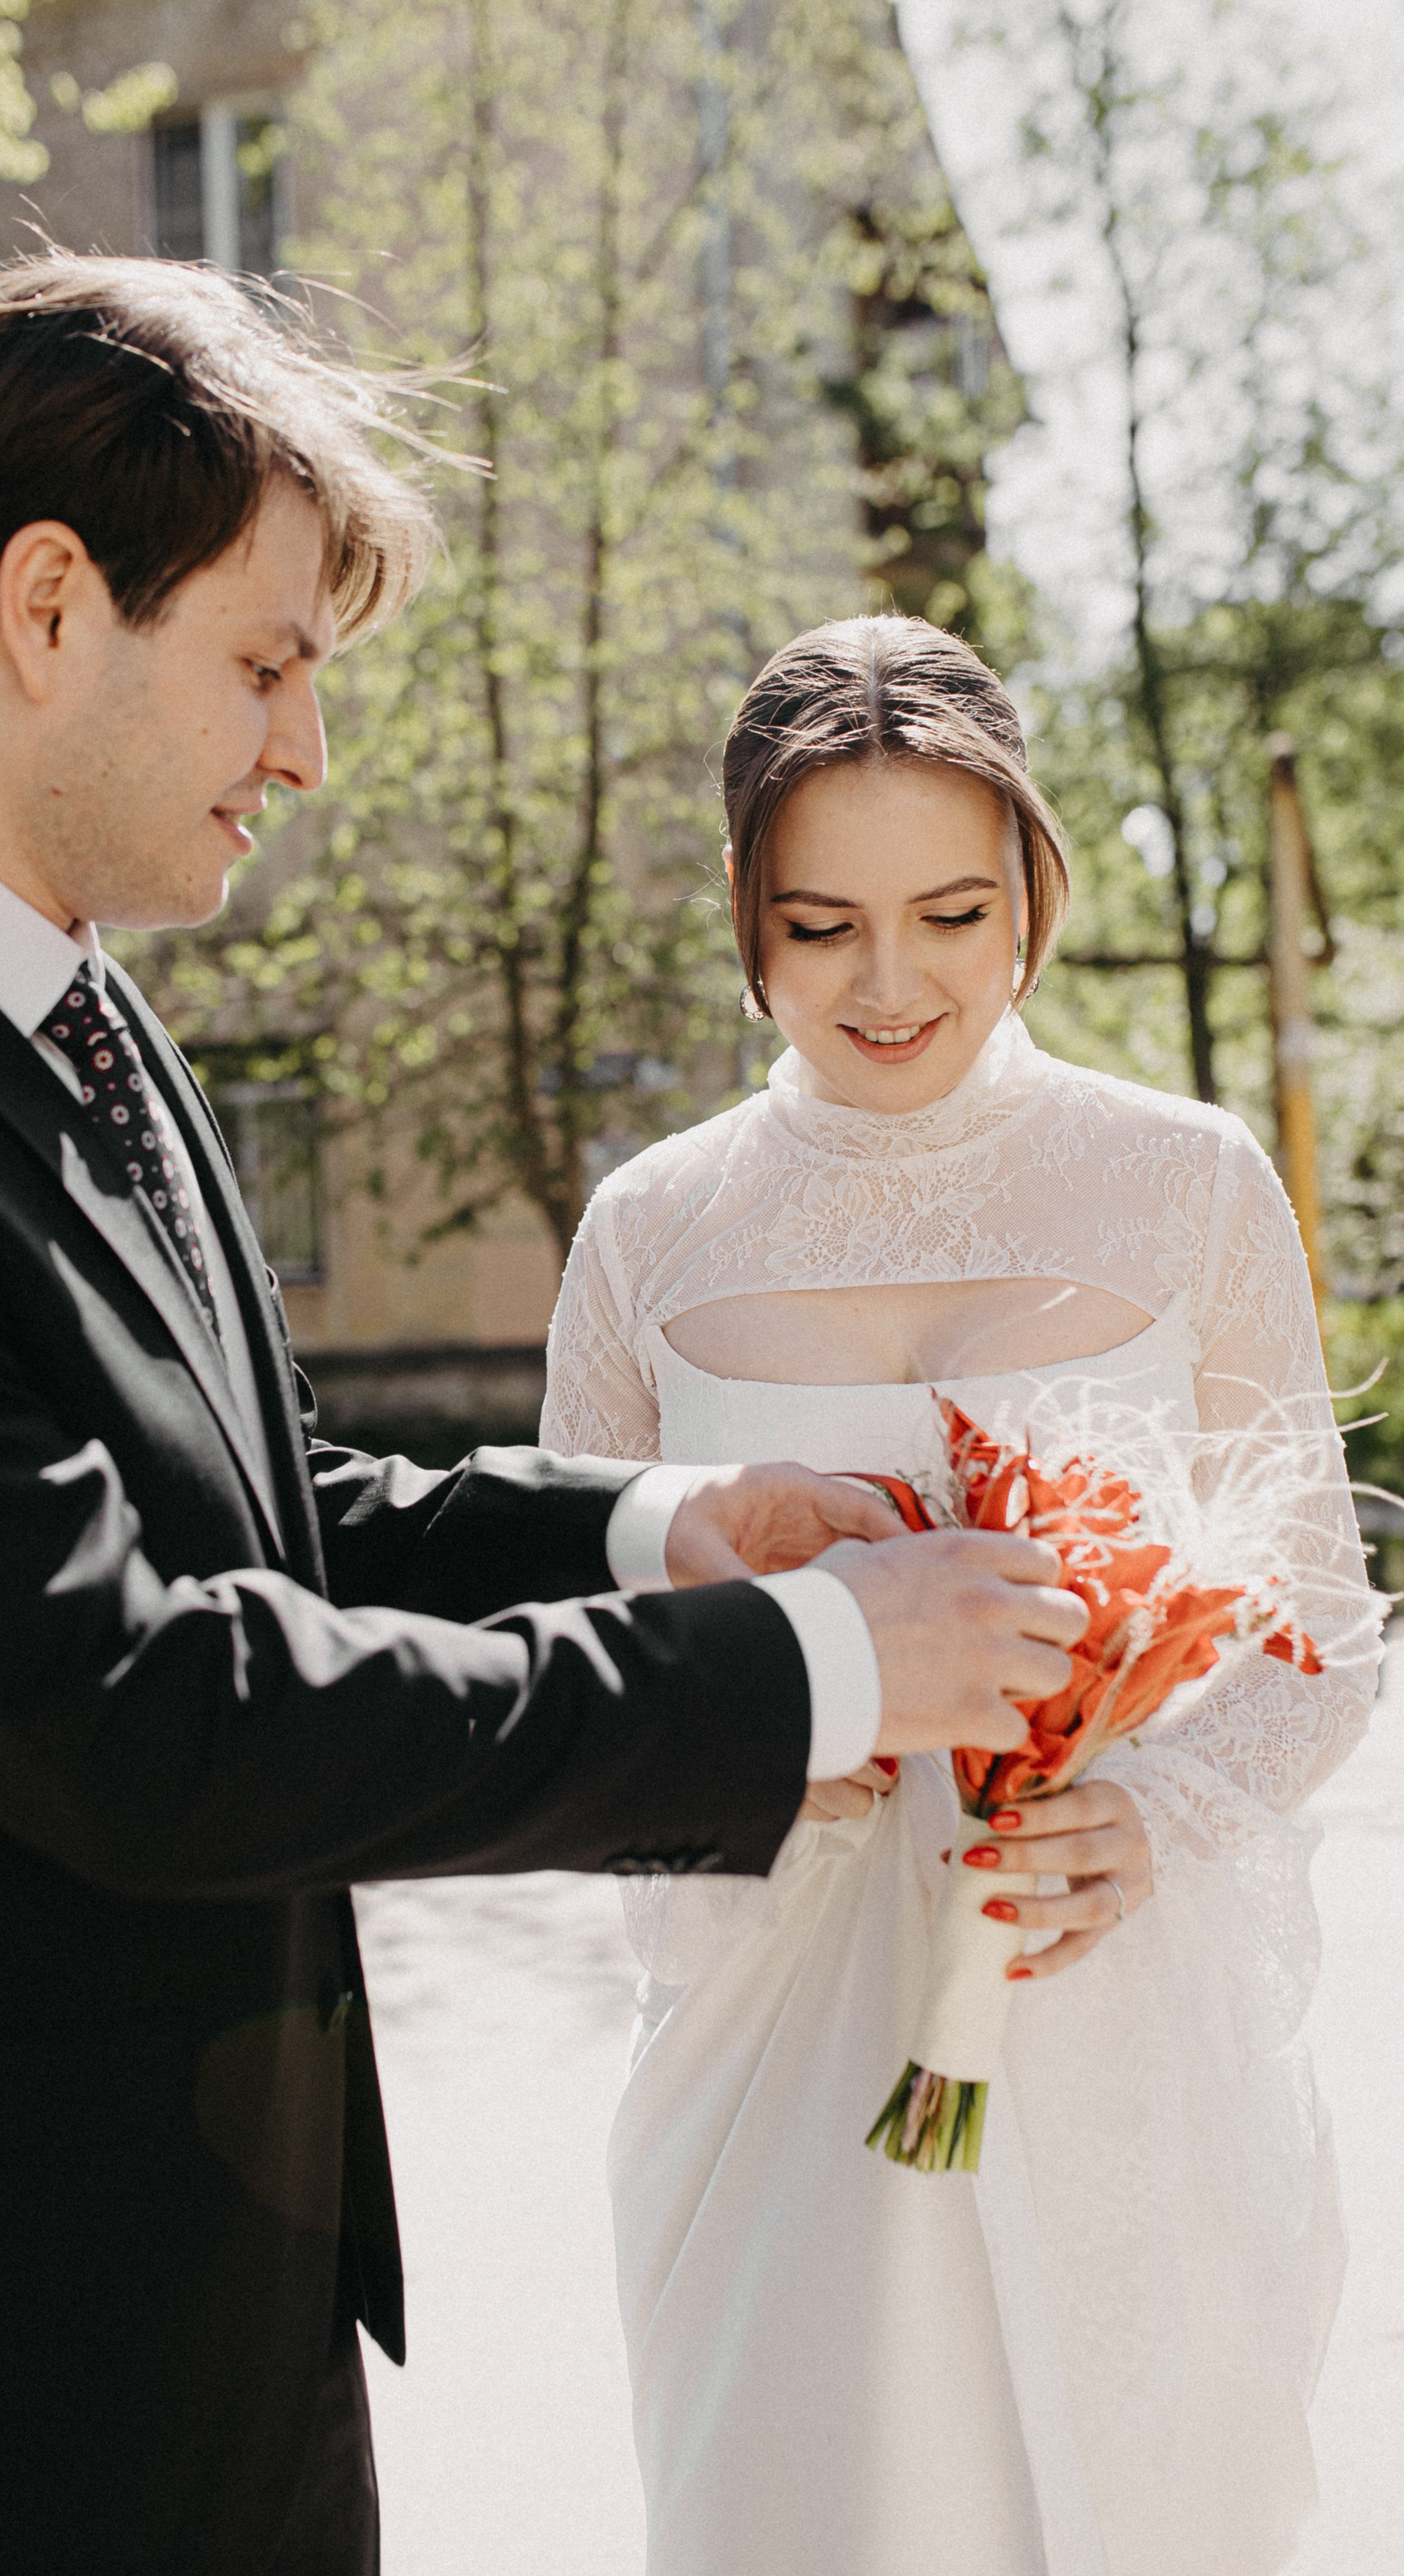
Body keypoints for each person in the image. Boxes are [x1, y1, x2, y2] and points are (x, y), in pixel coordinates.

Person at [0, 264, 1089, 2576]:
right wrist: (822, 1668)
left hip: (213, 2352)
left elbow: (267, 1509)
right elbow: (140, 1709)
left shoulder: (81, 1011)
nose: (309, 749)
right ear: (45, 607)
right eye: (267, 664)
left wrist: (664, 1530)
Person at [543, 615, 1383, 2576]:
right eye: (820, 924)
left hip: (1116, 2031)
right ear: (745, 910)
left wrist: (1154, 1810)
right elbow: (572, 1649)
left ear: (1033, 890)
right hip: (775, 2029)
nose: (891, 982)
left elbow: (1322, 1629)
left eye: (951, 913)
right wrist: (732, 1746)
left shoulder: (1187, 1182)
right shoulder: (650, 1232)